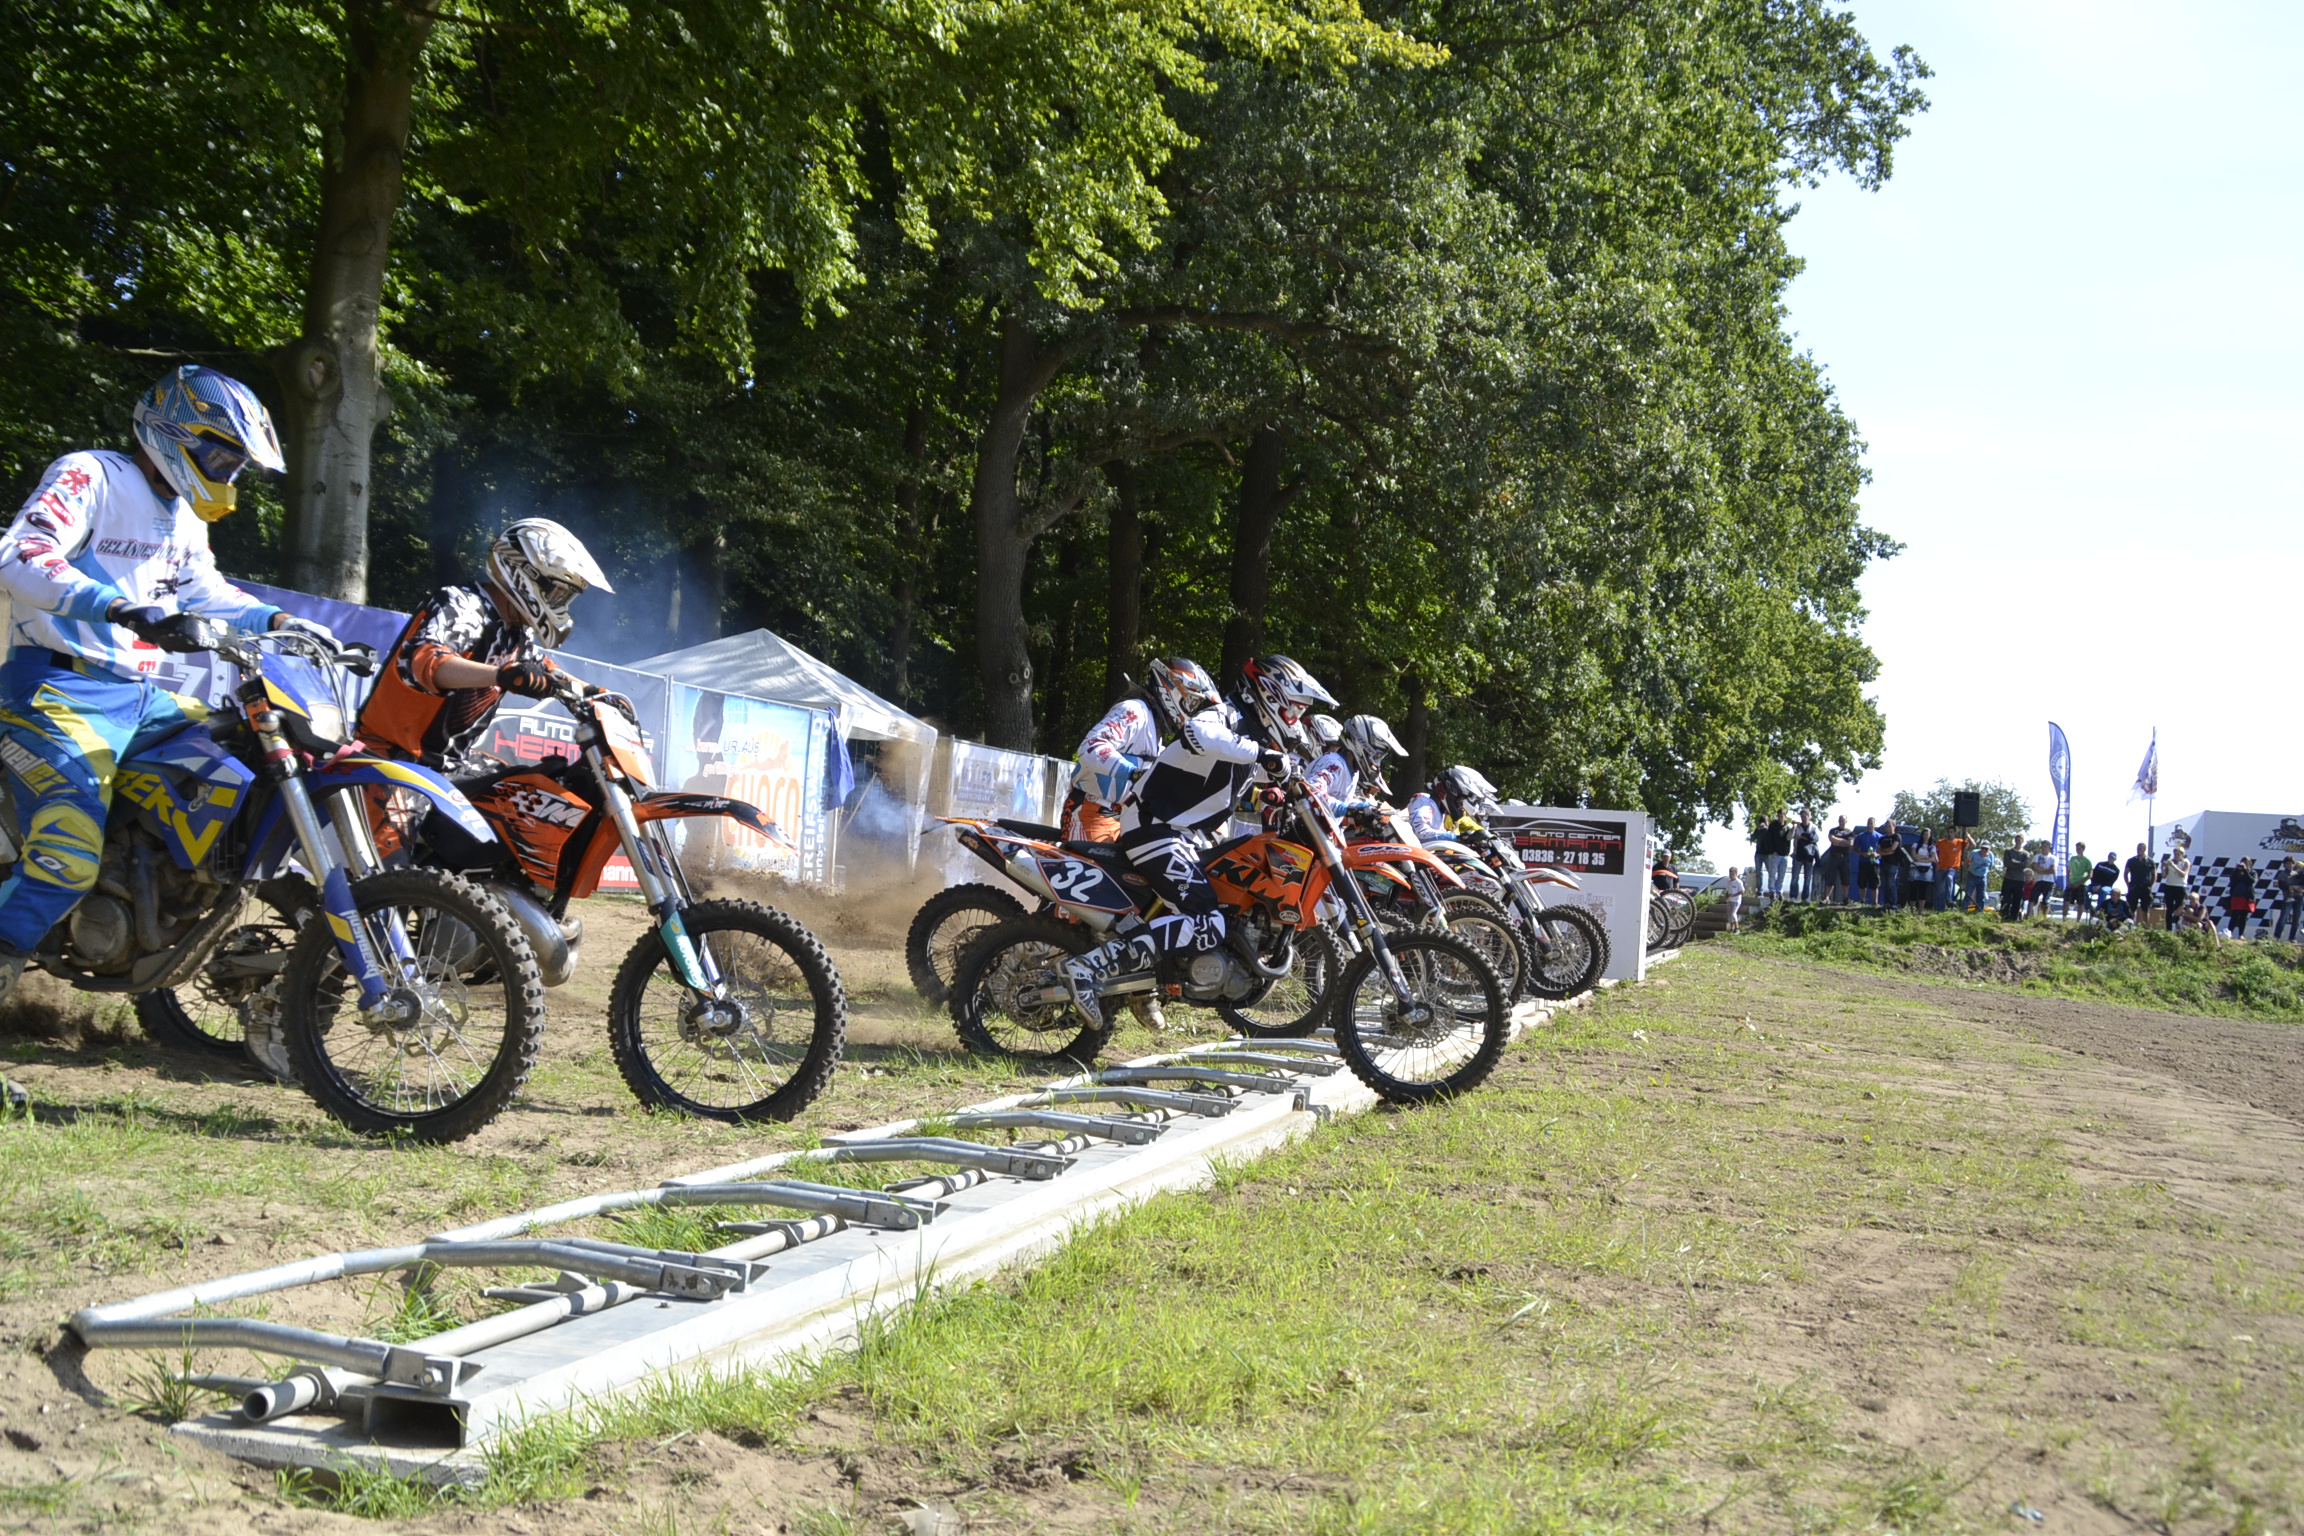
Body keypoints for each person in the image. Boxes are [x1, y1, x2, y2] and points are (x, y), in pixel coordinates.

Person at [0, 366, 329, 1007]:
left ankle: (155, 909)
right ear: (175, 434)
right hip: (55, 690)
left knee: (243, 759)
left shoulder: (183, 516)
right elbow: (21, 556)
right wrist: (122, 608)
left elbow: (205, 591)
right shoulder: (91, 474)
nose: (229, 475)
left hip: (144, 697)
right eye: (223, 458)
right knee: (66, 856)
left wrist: (280, 621)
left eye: (237, 465)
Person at [1058, 655, 1331, 1026]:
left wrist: (1273, 790)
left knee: (1205, 910)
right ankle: (1088, 968)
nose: (1296, 720)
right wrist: (1263, 754)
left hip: (1175, 833)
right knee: (1204, 922)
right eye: (1295, 710)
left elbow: (1226, 786)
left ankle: (1142, 984)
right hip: (1147, 826)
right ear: (1271, 697)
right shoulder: (1224, 717)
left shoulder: (1243, 738)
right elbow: (1197, 732)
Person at [360, 518, 612, 781]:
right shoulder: (463, 604)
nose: (559, 604)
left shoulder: (516, 629)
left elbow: (545, 670)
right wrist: (502, 675)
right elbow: (423, 662)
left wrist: (597, 693)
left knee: (542, 790)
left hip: (452, 766)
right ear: (524, 573)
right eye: (556, 594)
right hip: (391, 759)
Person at [1067, 659, 1214, 842]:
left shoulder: (1153, 726)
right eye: (1191, 702)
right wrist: (1133, 773)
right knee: (1099, 862)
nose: (1191, 710)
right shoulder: (1134, 710)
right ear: (1173, 690)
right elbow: (1091, 747)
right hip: (1092, 813)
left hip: (1126, 818)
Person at [2158, 843, 2193, 933]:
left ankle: (2177, 929)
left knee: (2178, 909)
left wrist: (2173, 865)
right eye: (2175, 854)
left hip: (2180, 887)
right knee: (2169, 909)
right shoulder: (2171, 861)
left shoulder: (2186, 862)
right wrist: (2163, 867)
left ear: (2182, 854)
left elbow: (2183, 874)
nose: (2176, 856)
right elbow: (2164, 876)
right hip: (2170, 886)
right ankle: (2169, 930)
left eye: (2178, 854)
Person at [2225, 856, 2258, 939]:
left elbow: (2252, 881)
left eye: (2247, 862)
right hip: (2236, 897)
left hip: (2247, 897)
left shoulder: (2253, 872)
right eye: (2244, 862)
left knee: (2243, 916)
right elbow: (2232, 879)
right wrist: (2237, 869)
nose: (2245, 864)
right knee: (2235, 916)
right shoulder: (2237, 872)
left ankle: (2241, 934)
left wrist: (2246, 871)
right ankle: (2229, 933)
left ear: (2250, 864)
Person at [1934, 829, 1967, 912]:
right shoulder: (1941, 842)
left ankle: (1948, 899)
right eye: (1948, 832)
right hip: (1941, 868)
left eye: (1951, 832)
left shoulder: (1959, 842)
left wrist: (1967, 834)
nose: (1949, 834)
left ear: (1955, 833)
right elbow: (1933, 849)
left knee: (1949, 877)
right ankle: (1939, 910)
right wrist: (1936, 860)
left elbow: (1973, 844)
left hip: (1952, 868)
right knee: (1940, 890)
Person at [2123, 843, 2156, 926]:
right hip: (2134, 887)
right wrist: (2128, 884)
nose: (2139, 850)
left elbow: (2154, 875)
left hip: (2145, 888)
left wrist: (2151, 886)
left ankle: (2145, 928)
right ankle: (2131, 927)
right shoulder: (2131, 860)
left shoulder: (2150, 861)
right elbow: (2126, 873)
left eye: (2141, 848)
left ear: (2144, 849)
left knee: (2145, 910)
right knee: (2131, 909)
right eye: (2138, 848)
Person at [1758, 814, 1790, 900]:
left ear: (1785, 816)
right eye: (1778, 816)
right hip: (1774, 855)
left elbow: (1788, 840)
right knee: (1772, 873)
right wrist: (1772, 851)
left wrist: (1787, 851)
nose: (1780, 818)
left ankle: (1779, 892)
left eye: (1782, 816)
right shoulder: (1773, 826)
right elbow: (1768, 839)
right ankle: (1772, 891)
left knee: (1781, 875)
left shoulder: (1787, 827)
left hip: (1784, 855)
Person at [1852, 817, 1882, 905]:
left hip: (1874, 863)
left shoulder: (1880, 836)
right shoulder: (1861, 836)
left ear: (1875, 824)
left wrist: (1877, 854)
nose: (1870, 825)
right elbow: (1855, 849)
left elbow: (1882, 850)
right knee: (1862, 882)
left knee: (1874, 883)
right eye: (1868, 823)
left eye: (1871, 823)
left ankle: (1875, 902)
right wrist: (1862, 853)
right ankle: (1862, 900)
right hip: (1863, 862)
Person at [1823, 817, 1854, 903]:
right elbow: (1832, 839)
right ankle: (1827, 898)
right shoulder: (1833, 830)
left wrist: (1838, 842)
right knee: (1830, 878)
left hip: (1844, 857)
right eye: (1840, 820)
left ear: (1846, 821)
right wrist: (1844, 841)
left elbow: (1850, 843)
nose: (1841, 822)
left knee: (1845, 878)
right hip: (1834, 856)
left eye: (1843, 820)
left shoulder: (1850, 832)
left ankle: (1845, 898)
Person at [1999, 838, 2031, 920]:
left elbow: (2025, 865)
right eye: (2017, 839)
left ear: (2022, 841)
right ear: (2014, 840)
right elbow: (2006, 863)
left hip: (2020, 880)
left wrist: (2014, 861)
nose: (2018, 841)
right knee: (2005, 898)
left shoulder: (2026, 854)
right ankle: (2004, 915)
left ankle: (2014, 917)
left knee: (2017, 900)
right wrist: (2019, 864)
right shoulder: (2008, 851)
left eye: (2020, 839)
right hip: (2009, 878)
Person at [1877, 823, 1905, 910]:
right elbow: (1878, 850)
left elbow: (1893, 848)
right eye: (1887, 826)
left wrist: (1883, 851)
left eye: (1890, 826)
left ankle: (1893, 903)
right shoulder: (1882, 838)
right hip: (1883, 863)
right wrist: (1887, 852)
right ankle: (1886, 903)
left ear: (1894, 827)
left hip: (1893, 863)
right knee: (1884, 884)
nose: (1888, 828)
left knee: (1891, 883)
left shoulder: (1897, 836)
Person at [1790, 815, 1818, 901]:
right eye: (1802, 817)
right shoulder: (1797, 827)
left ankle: (1805, 898)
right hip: (1798, 854)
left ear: (1809, 817)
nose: (1804, 819)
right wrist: (1794, 828)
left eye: (1805, 817)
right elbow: (1790, 837)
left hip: (1809, 855)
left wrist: (1802, 837)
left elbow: (1815, 838)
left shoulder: (1813, 827)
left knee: (1808, 878)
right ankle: (1793, 896)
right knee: (1795, 877)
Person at [2277, 857, 2304, 942]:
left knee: (2296, 919)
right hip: (2288, 898)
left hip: (2299, 898)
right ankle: (2276, 937)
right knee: (2283, 918)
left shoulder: (2297, 873)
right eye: (2287, 863)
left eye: (2291, 863)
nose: (2289, 865)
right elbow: (2282, 886)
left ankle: (2292, 938)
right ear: (2284, 864)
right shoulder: (2282, 874)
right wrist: (2291, 887)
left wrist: (2299, 888)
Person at [2066, 842, 2093, 919]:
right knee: (2066, 901)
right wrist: (2068, 882)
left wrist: (2079, 883)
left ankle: (2078, 920)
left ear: (2083, 849)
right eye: (2076, 848)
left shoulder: (2087, 860)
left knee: (2080, 903)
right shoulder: (2072, 859)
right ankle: (2064, 919)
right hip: (2071, 883)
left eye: (2079, 848)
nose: (2077, 850)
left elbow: (2090, 875)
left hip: (2082, 884)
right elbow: (2068, 871)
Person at [1909, 831, 1936, 910]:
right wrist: (1926, 857)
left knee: (1923, 890)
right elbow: (1914, 856)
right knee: (1913, 889)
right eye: (1924, 834)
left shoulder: (1932, 847)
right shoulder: (1915, 845)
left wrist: (1920, 858)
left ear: (1930, 835)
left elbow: (1932, 859)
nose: (1925, 836)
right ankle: (1912, 909)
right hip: (1915, 868)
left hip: (1927, 870)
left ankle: (1921, 910)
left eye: (1927, 834)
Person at [1965, 843, 1993, 912]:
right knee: (1968, 893)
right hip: (1972, 875)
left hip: (1983, 877)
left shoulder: (1991, 855)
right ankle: (1964, 909)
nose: (1984, 850)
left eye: (1986, 849)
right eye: (1982, 848)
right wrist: (1969, 868)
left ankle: (1979, 911)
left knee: (1981, 895)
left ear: (1989, 849)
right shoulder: (1974, 853)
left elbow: (1991, 866)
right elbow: (1967, 862)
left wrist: (1986, 873)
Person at [1724, 865, 1745, 932]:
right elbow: (1727, 890)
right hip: (1729, 900)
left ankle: (1737, 928)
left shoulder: (1738, 882)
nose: (1731, 876)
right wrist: (1727, 896)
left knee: (1733, 914)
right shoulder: (1729, 882)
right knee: (1729, 915)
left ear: (1736, 874)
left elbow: (1742, 891)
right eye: (1730, 874)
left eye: (1733, 874)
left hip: (1736, 900)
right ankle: (1732, 928)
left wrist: (1733, 895)